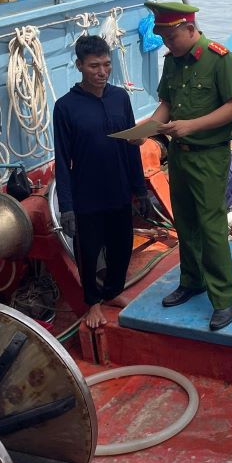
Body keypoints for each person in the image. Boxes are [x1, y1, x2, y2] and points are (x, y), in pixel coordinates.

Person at [139, 0, 232, 331]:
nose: (167, 44)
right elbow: (167, 104)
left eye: (171, 37)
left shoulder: (221, 60)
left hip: (209, 155)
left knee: (211, 226)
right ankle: (192, 280)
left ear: (189, 29)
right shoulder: (173, 61)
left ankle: (225, 297)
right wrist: (146, 130)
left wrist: (191, 125)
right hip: (180, 155)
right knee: (185, 222)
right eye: (164, 38)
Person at [53, 35, 147, 329]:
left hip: (119, 189)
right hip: (87, 195)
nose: (102, 72)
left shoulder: (120, 98)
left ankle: (113, 291)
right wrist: (66, 207)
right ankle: (92, 302)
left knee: (122, 247)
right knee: (89, 252)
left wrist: (140, 190)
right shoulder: (65, 107)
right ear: (79, 65)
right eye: (94, 66)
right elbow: (62, 160)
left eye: (107, 65)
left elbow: (132, 146)